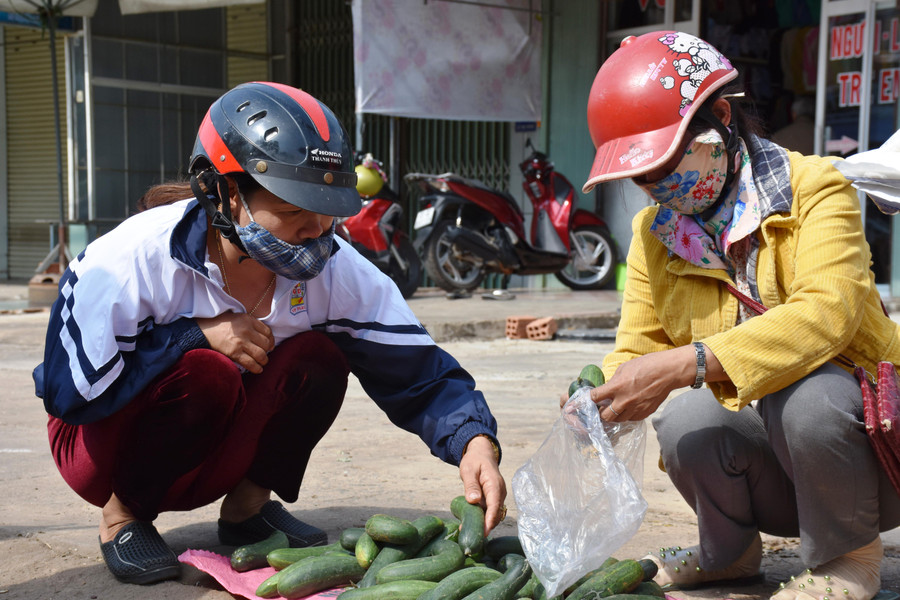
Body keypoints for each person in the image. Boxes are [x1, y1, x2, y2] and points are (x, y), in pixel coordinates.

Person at [34, 81, 506, 586]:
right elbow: (72, 393)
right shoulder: (129, 260)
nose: (316, 230)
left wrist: (473, 439)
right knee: (207, 370)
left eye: (327, 211)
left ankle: (246, 511)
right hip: (96, 446)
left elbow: (416, 368)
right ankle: (122, 518)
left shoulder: (338, 268)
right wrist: (192, 335)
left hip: (214, 443)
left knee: (319, 356)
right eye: (294, 211)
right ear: (225, 192)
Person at [577, 31, 900, 600]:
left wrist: (691, 361)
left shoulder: (817, 189)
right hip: (785, 472)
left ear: (721, 117)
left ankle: (849, 558)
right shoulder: (655, 237)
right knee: (686, 423)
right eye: (642, 174)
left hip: (875, 450)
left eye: (668, 159)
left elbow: (830, 314)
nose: (655, 185)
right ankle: (727, 555)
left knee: (810, 398)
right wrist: (601, 395)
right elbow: (638, 347)